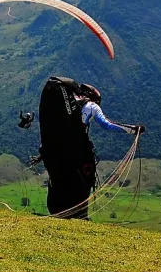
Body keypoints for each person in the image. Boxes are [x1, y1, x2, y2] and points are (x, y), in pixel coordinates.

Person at [31, 77, 144, 219]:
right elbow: (107, 124)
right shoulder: (91, 106)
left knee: (59, 180)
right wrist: (133, 130)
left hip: (53, 151)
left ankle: (58, 211)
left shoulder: (65, 104)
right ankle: (80, 214)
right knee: (84, 180)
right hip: (76, 152)